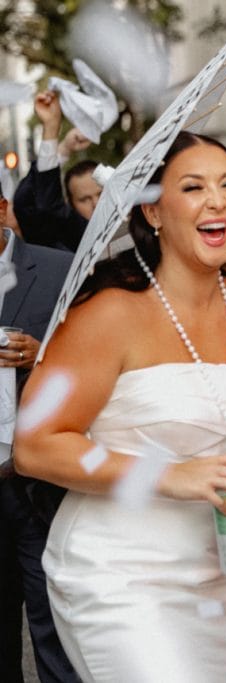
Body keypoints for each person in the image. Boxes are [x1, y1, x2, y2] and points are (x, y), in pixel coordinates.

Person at [12, 131, 226, 681]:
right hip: (117, 575)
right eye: (193, 186)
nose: (218, 199)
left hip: (210, 573)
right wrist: (169, 474)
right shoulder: (108, 311)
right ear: (153, 209)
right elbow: (35, 447)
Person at [0, 186, 77, 682]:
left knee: (54, 627)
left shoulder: (59, 269)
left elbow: (101, 363)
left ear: (2, 209)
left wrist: (44, 354)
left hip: (36, 485)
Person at [14, 90, 101, 252]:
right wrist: (59, 144)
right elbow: (25, 203)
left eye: (101, 194)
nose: (96, 204)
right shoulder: (72, 239)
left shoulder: (141, 225)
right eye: (84, 199)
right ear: (70, 204)